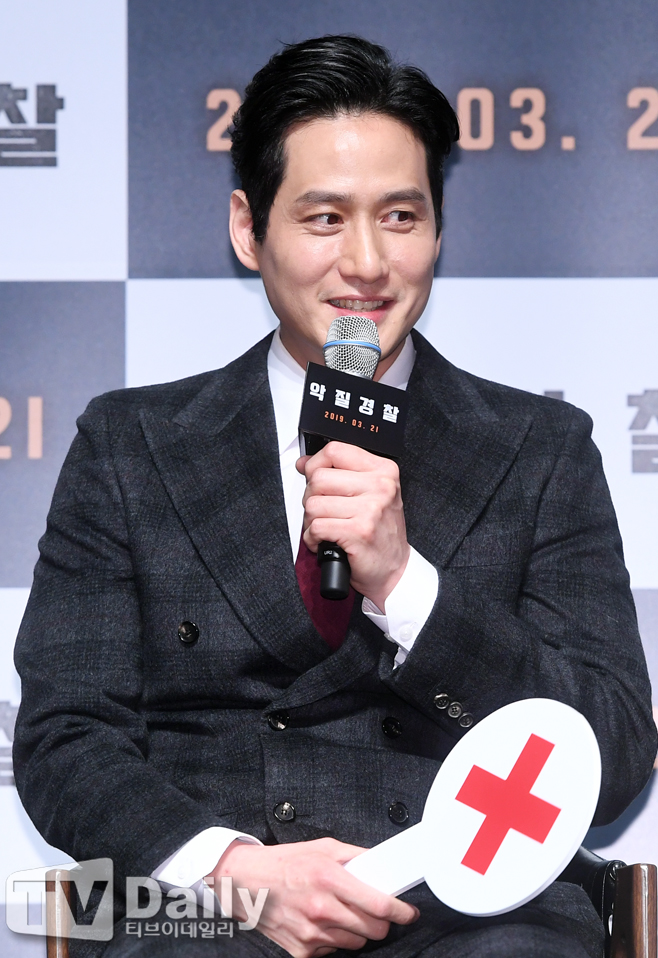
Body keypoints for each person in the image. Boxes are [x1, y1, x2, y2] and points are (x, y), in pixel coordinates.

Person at [13, 35, 656, 958]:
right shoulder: (133, 444)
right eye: (324, 218)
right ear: (249, 229)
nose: (367, 263)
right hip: (218, 907)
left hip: (468, 908)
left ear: (438, 229)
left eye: (400, 217)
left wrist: (406, 586)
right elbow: (66, 737)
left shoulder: (538, 449)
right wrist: (234, 870)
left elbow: (615, 750)